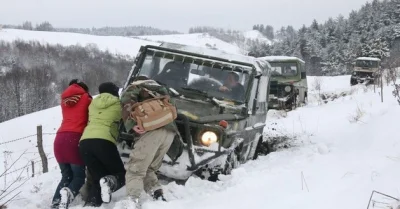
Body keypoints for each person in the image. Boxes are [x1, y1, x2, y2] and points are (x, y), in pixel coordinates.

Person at [120, 76, 177, 207]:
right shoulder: (162, 89)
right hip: (169, 133)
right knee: (149, 168)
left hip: (151, 132)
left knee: (136, 169)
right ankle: (158, 196)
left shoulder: (135, 87)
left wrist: (131, 124)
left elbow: (127, 102)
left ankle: (131, 201)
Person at [79, 82, 126, 207]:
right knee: (121, 174)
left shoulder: (93, 103)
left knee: (97, 178)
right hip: (104, 141)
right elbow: (126, 120)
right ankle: (110, 183)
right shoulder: (118, 103)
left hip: (85, 142)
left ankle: (91, 204)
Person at [51, 79, 91, 209]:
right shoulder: (86, 98)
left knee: (66, 176)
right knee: (79, 177)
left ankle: (56, 203)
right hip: (74, 139)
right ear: (84, 89)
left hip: (59, 139)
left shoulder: (64, 101)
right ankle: (67, 198)